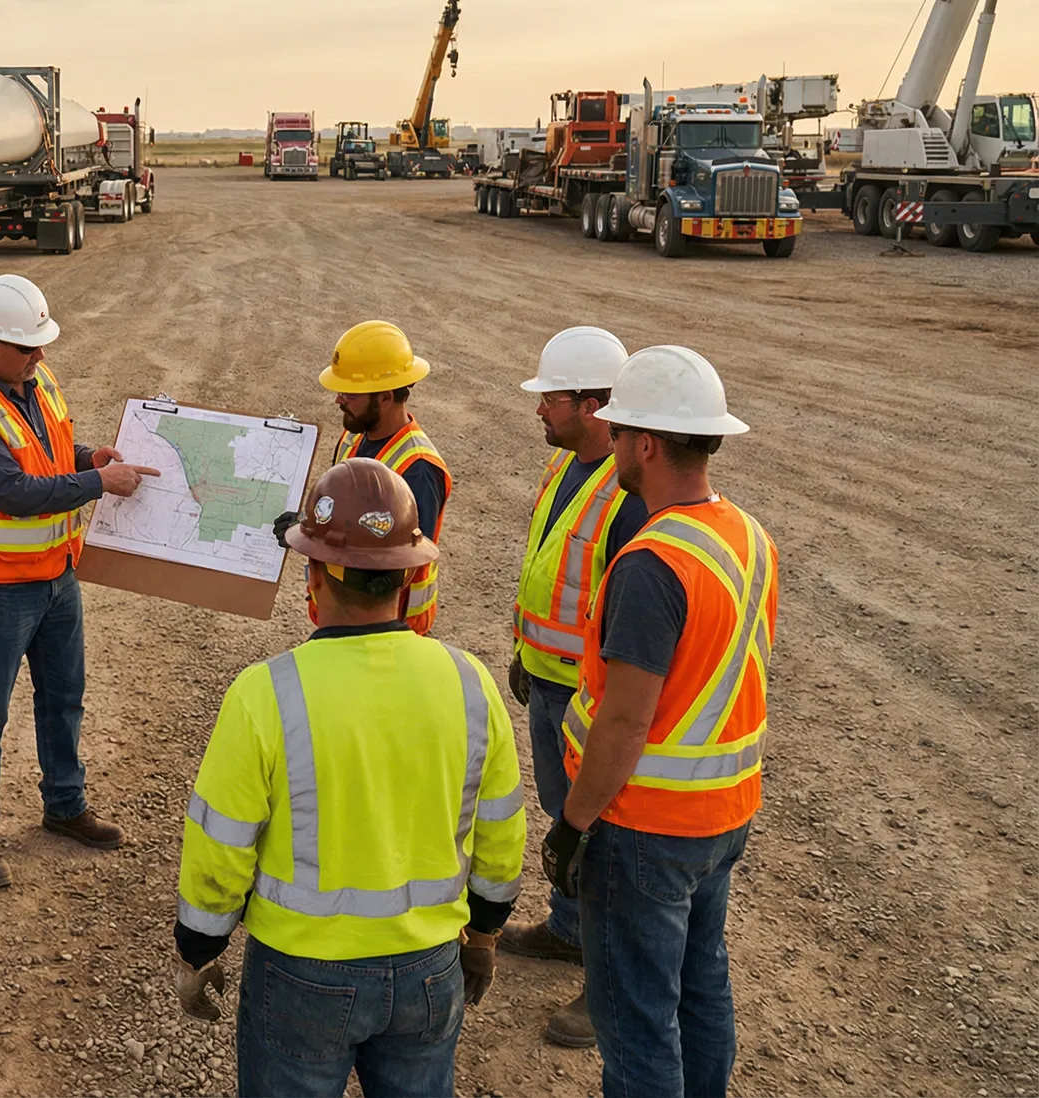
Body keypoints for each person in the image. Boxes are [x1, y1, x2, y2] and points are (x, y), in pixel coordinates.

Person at [174, 458, 525, 1098]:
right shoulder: (470, 682)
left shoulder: (265, 694)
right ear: (410, 574)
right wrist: (485, 933)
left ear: (315, 574)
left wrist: (200, 947)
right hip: (430, 969)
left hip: (303, 976)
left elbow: (221, 844)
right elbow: (500, 830)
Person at [545, 345, 778, 1098]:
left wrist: (573, 824)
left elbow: (623, 723)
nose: (610, 447)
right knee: (701, 984)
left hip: (647, 828)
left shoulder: (653, 563)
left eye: (616, 434)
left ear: (644, 444)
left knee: (638, 1021)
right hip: (724, 815)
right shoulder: (746, 534)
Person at [0, 273, 156, 891]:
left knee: (65, 697)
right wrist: (98, 485)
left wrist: (88, 459)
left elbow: (46, 452)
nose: (40, 355)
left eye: (40, 345)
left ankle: (65, 804)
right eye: (28, 347)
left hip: (58, 575)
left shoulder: (33, 378)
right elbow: (14, 494)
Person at [501, 326, 651, 1048]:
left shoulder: (629, 497)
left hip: (592, 700)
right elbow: (549, 567)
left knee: (601, 838)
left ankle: (608, 987)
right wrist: (523, 649)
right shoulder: (565, 470)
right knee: (562, 819)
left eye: (550, 400)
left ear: (593, 406)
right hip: (550, 678)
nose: (540, 413)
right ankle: (569, 932)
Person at [318, 320, 451, 635]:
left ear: (386, 397)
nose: (339, 400)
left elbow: (401, 562)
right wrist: (307, 524)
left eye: (350, 394)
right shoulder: (352, 438)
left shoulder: (417, 469)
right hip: (345, 615)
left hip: (387, 630)